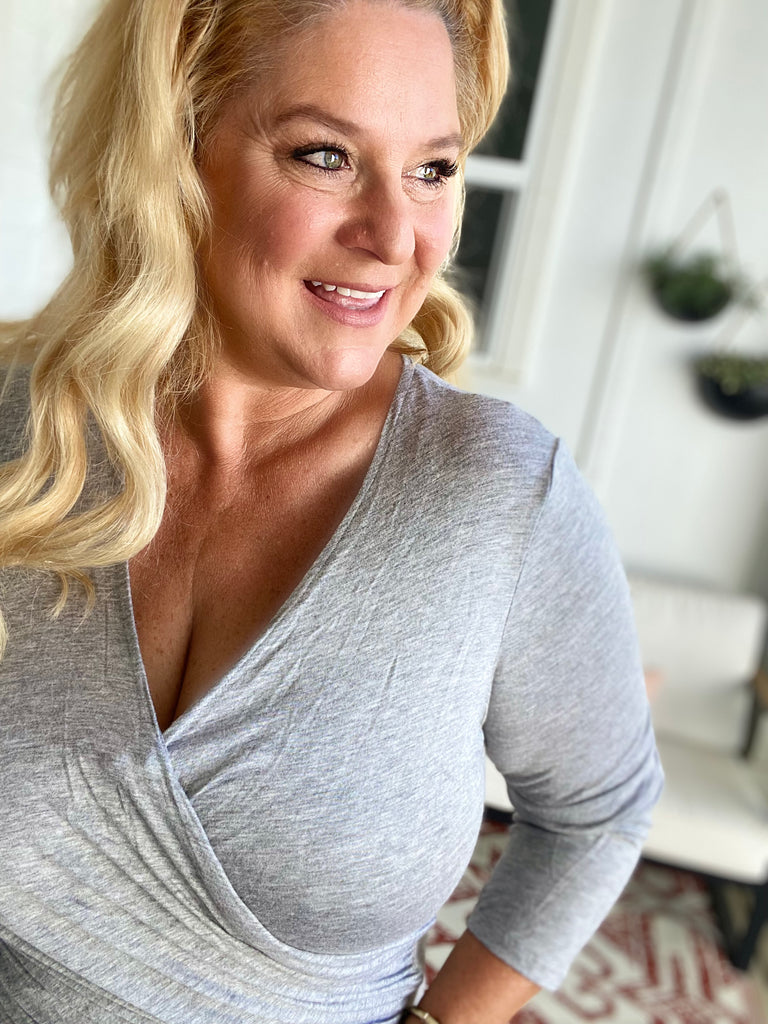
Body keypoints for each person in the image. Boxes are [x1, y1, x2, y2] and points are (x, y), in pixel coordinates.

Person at [0, 0, 663, 1021]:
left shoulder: (495, 494)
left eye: (433, 169)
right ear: (175, 147)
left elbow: (598, 812)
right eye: (325, 156)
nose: (396, 237)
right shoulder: (23, 443)